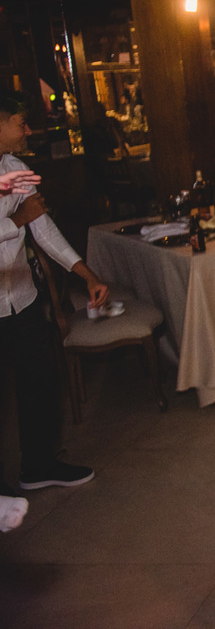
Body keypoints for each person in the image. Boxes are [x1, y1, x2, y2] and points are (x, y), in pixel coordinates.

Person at [0, 96, 101, 493]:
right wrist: (14, 221)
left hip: (21, 296)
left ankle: (38, 466)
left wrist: (86, 273)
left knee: (39, 380)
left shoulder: (16, 169)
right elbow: (22, 220)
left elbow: (43, 230)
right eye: (21, 122)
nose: (28, 131)